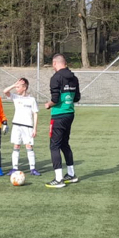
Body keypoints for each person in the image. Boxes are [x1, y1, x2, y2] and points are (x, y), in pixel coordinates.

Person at [44, 54, 80, 188]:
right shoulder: (74, 78)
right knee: (65, 144)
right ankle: (71, 174)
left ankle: (58, 179)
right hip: (70, 113)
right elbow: (77, 98)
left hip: (59, 115)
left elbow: (55, 98)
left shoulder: (56, 77)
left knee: (54, 146)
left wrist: (49, 104)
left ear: (55, 63)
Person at [3, 78, 41, 176]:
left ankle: (33, 169)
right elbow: (5, 91)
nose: (16, 88)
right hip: (16, 125)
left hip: (28, 127)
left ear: (24, 88)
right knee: (16, 146)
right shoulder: (15, 97)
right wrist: (14, 84)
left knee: (29, 146)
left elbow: (35, 114)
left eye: (18, 86)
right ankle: (14, 168)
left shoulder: (31, 100)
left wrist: (35, 128)